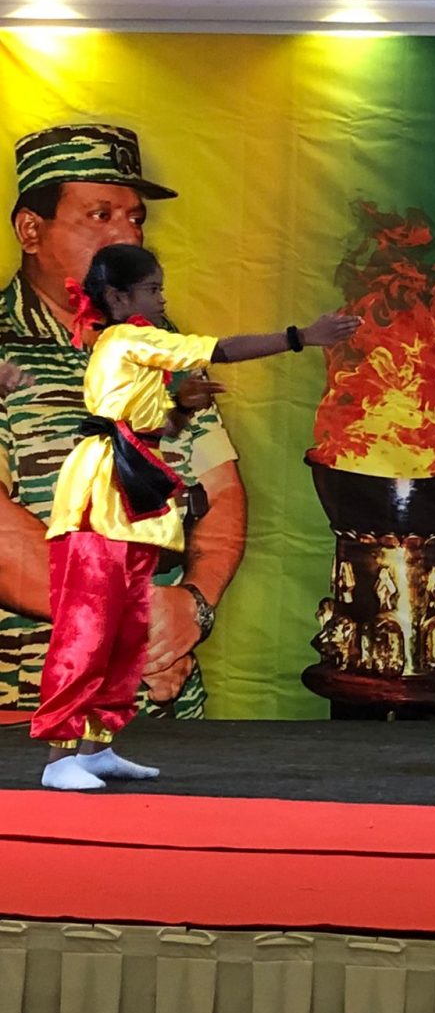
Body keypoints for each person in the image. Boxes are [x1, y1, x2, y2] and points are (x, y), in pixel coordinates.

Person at [33, 244, 360, 790]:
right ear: (118, 297)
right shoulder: (127, 338)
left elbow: (155, 425)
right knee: (88, 628)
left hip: (135, 497)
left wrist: (181, 406)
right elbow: (221, 349)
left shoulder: (136, 348)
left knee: (128, 631)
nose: (162, 299)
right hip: (100, 498)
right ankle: (60, 757)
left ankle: (96, 748)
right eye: (152, 289)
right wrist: (301, 336)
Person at [0, 123, 247, 721]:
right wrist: (137, 618)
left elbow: (220, 492)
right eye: (100, 215)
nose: (127, 235)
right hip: (31, 706)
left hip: (165, 704)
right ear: (31, 229)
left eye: (135, 218)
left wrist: (193, 605)